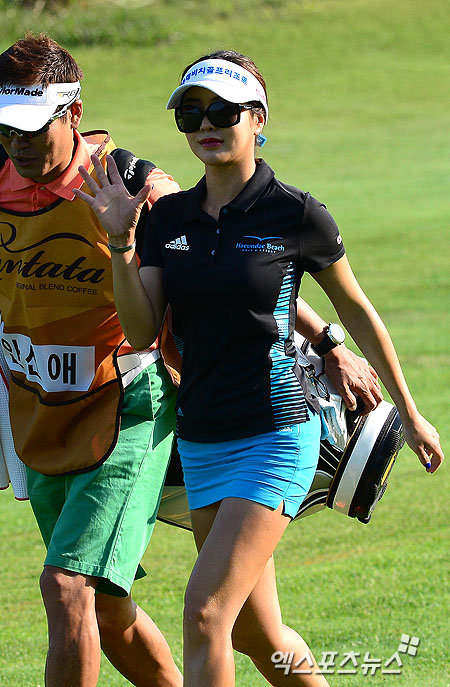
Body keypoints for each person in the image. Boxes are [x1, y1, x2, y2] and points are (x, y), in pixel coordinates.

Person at [0, 36, 383, 687]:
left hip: (128, 409)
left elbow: (234, 268)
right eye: (5, 129)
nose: (18, 144)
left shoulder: (132, 186)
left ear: (72, 113)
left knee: (72, 587)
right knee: (189, 622)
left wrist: (327, 342)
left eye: (32, 128)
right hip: (40, 416)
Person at [74, 48, 444, 687]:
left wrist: (410, 415)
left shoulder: (295, 213)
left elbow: (357, 312)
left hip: (276, 433)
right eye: (191, 113)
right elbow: (139, 330)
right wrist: (121, 243)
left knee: (206, 614)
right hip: (202, 438)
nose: (206, 125)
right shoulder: (166, 218)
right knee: (253, 632)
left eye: (223, 111)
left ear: (258, 118)